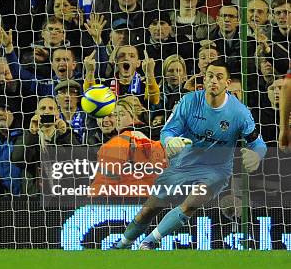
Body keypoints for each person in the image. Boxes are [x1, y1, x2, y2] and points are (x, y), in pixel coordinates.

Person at [113, 60, 266, 250]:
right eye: (210, 76)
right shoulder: (189, 101)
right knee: (148, 210)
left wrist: (257, 156)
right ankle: (120, 246)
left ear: (227, 83)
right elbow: (167, 132)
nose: (214, 81)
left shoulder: (240, 113)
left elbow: (259, 144)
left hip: (216, 170)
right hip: (183, 165)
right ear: (204, 79)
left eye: (219, 77)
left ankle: (149, 243)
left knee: (190, 204)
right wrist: (170, 142)